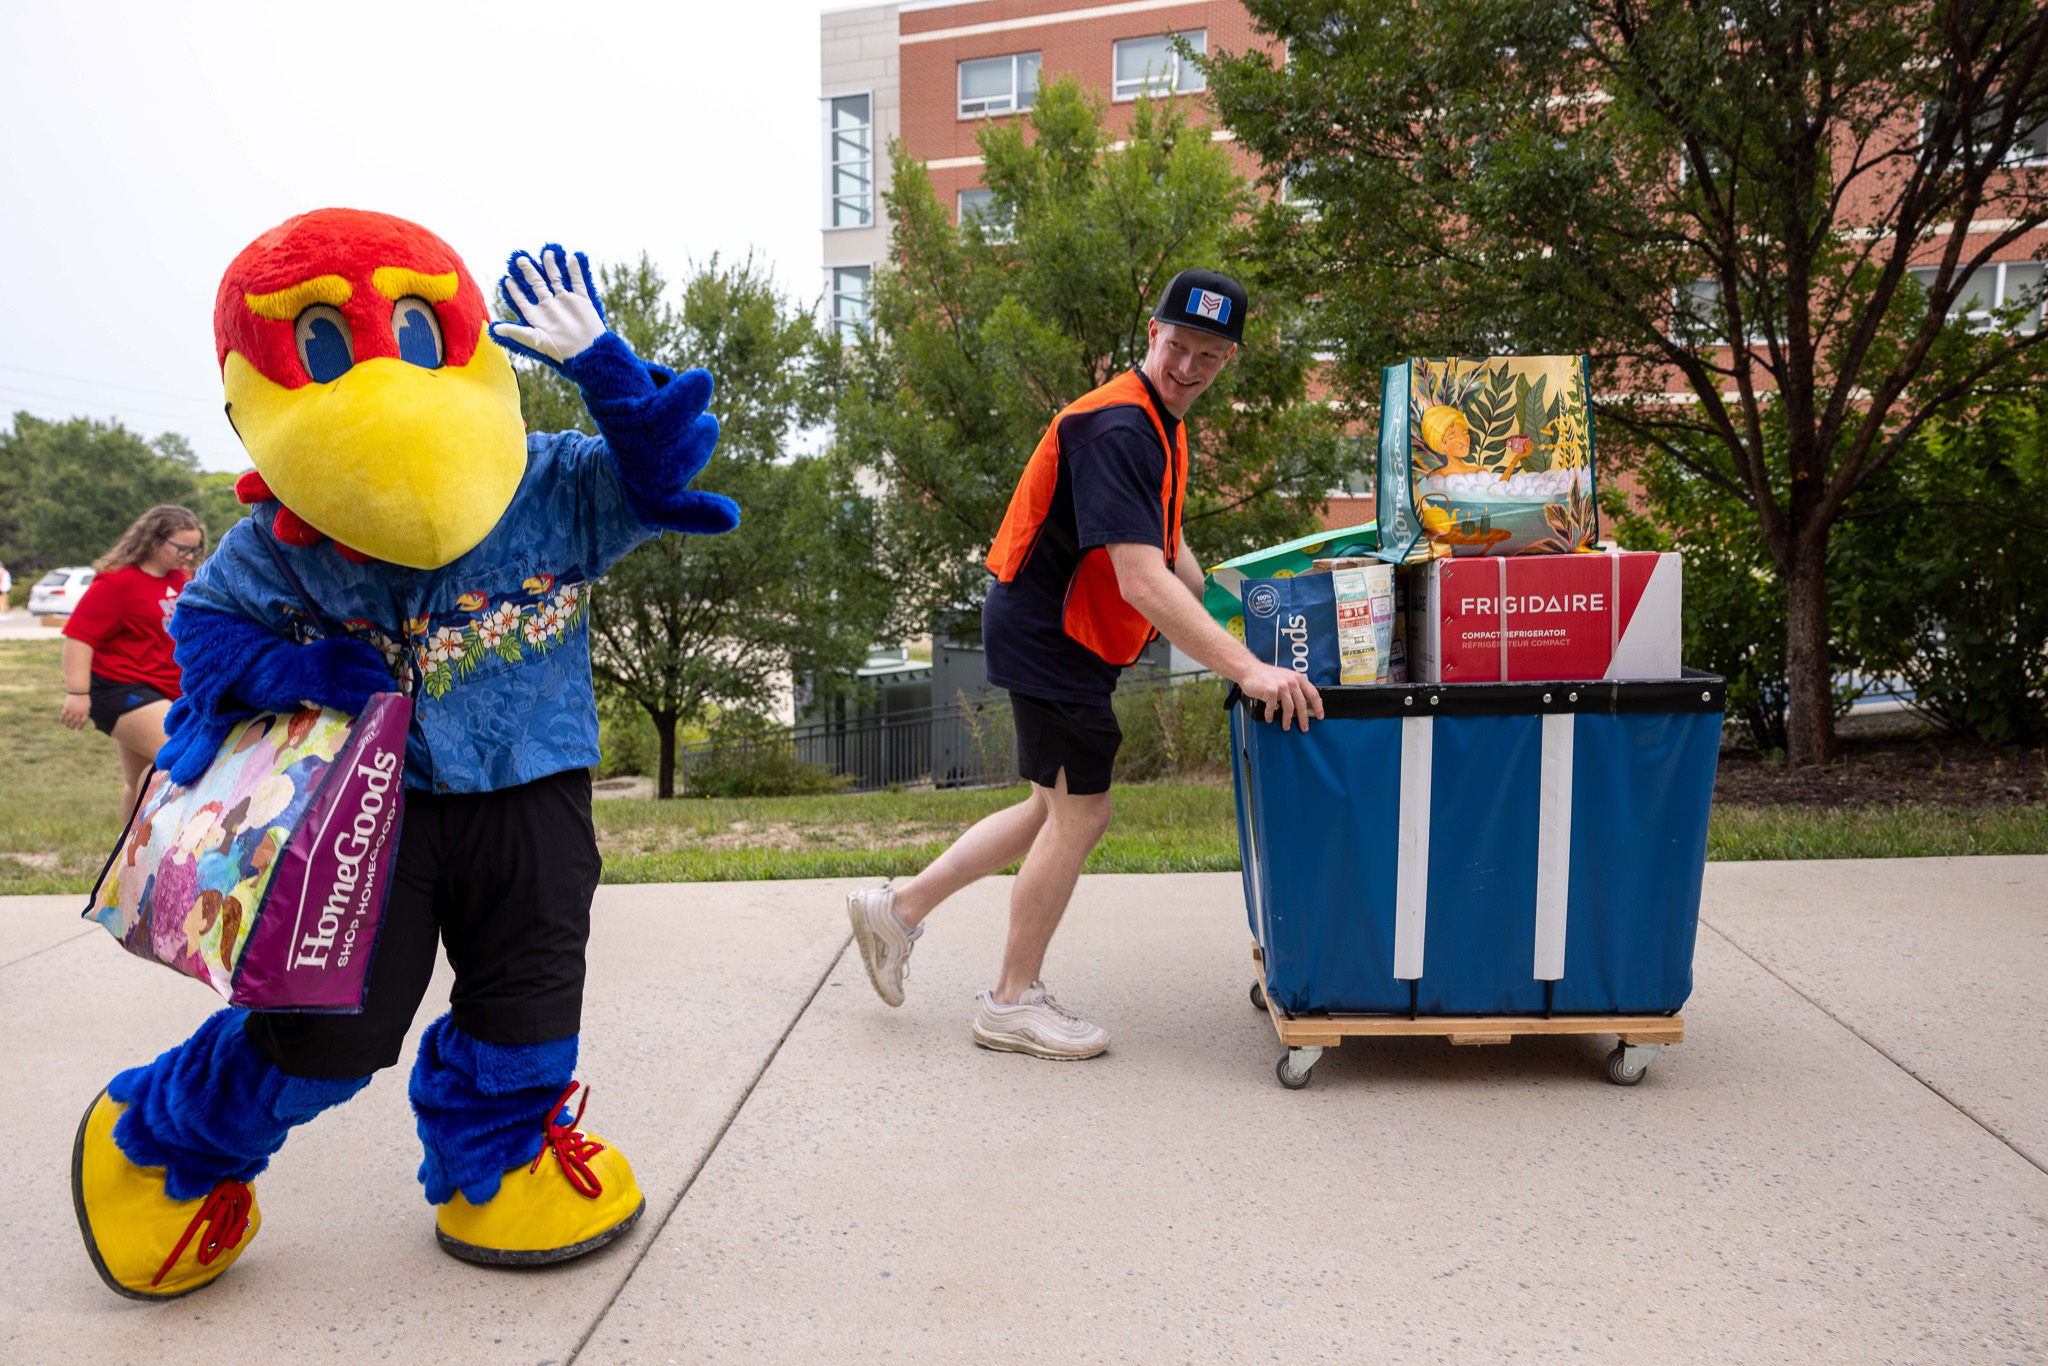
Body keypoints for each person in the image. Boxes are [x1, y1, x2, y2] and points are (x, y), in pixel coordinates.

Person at [846, 268, 1323, 1060]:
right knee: (1082, 815)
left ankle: (895, 910)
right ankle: (1008, 1002)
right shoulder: (1123, 428)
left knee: (1047, 809)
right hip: (1053, 636)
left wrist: (1230, 604)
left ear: (1228, 359)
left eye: (1209, 355)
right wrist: (1244, 667)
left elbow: (1166, 548)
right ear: (1152, 336)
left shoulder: (1152, 419)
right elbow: (1141, 579)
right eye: (1178, 346)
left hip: (1053, 628)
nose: (1188, 367)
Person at [58, 506, 206, 816]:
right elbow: (79, 638)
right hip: (119, 688)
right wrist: (77, 693)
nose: (189, 557)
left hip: (166, 689)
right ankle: (148, 849)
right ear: (153, 540)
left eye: (195, 550)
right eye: (183, 548)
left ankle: (127, 855)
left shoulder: (181, 578)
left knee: (139, 777)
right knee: (181, 752)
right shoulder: (116, 583)